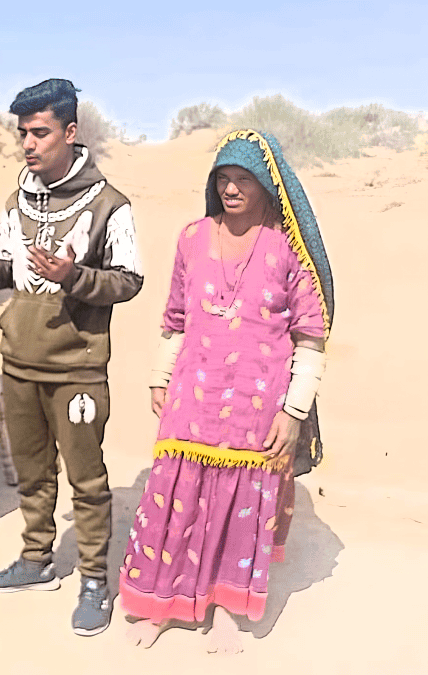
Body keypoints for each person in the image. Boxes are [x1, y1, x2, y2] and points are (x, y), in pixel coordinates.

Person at [119, 129, 332, 653]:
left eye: (245, 179)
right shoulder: (192, 236)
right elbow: (173, 318)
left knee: (241, 509)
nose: (233, 189)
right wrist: (159, 376)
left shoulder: (288, 249)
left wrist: (295, 411)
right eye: (224, 179)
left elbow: (310, 336)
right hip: (193, 393)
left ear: (266, 186)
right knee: (176, 497)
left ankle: (229, 613)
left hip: (259, 404)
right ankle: (162, 605)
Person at [0, 78, 143, 636]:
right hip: (20, 361)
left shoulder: (111, 205)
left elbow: (129, 281)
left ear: (70, 131)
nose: (28, 145)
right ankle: (36, 561)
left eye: (38, 133)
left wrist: (75, 277)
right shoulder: (18, 199)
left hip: (77, 368)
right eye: (23, 134)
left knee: (86, 481)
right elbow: (13, 272)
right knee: (33, 475)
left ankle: (92, 581)